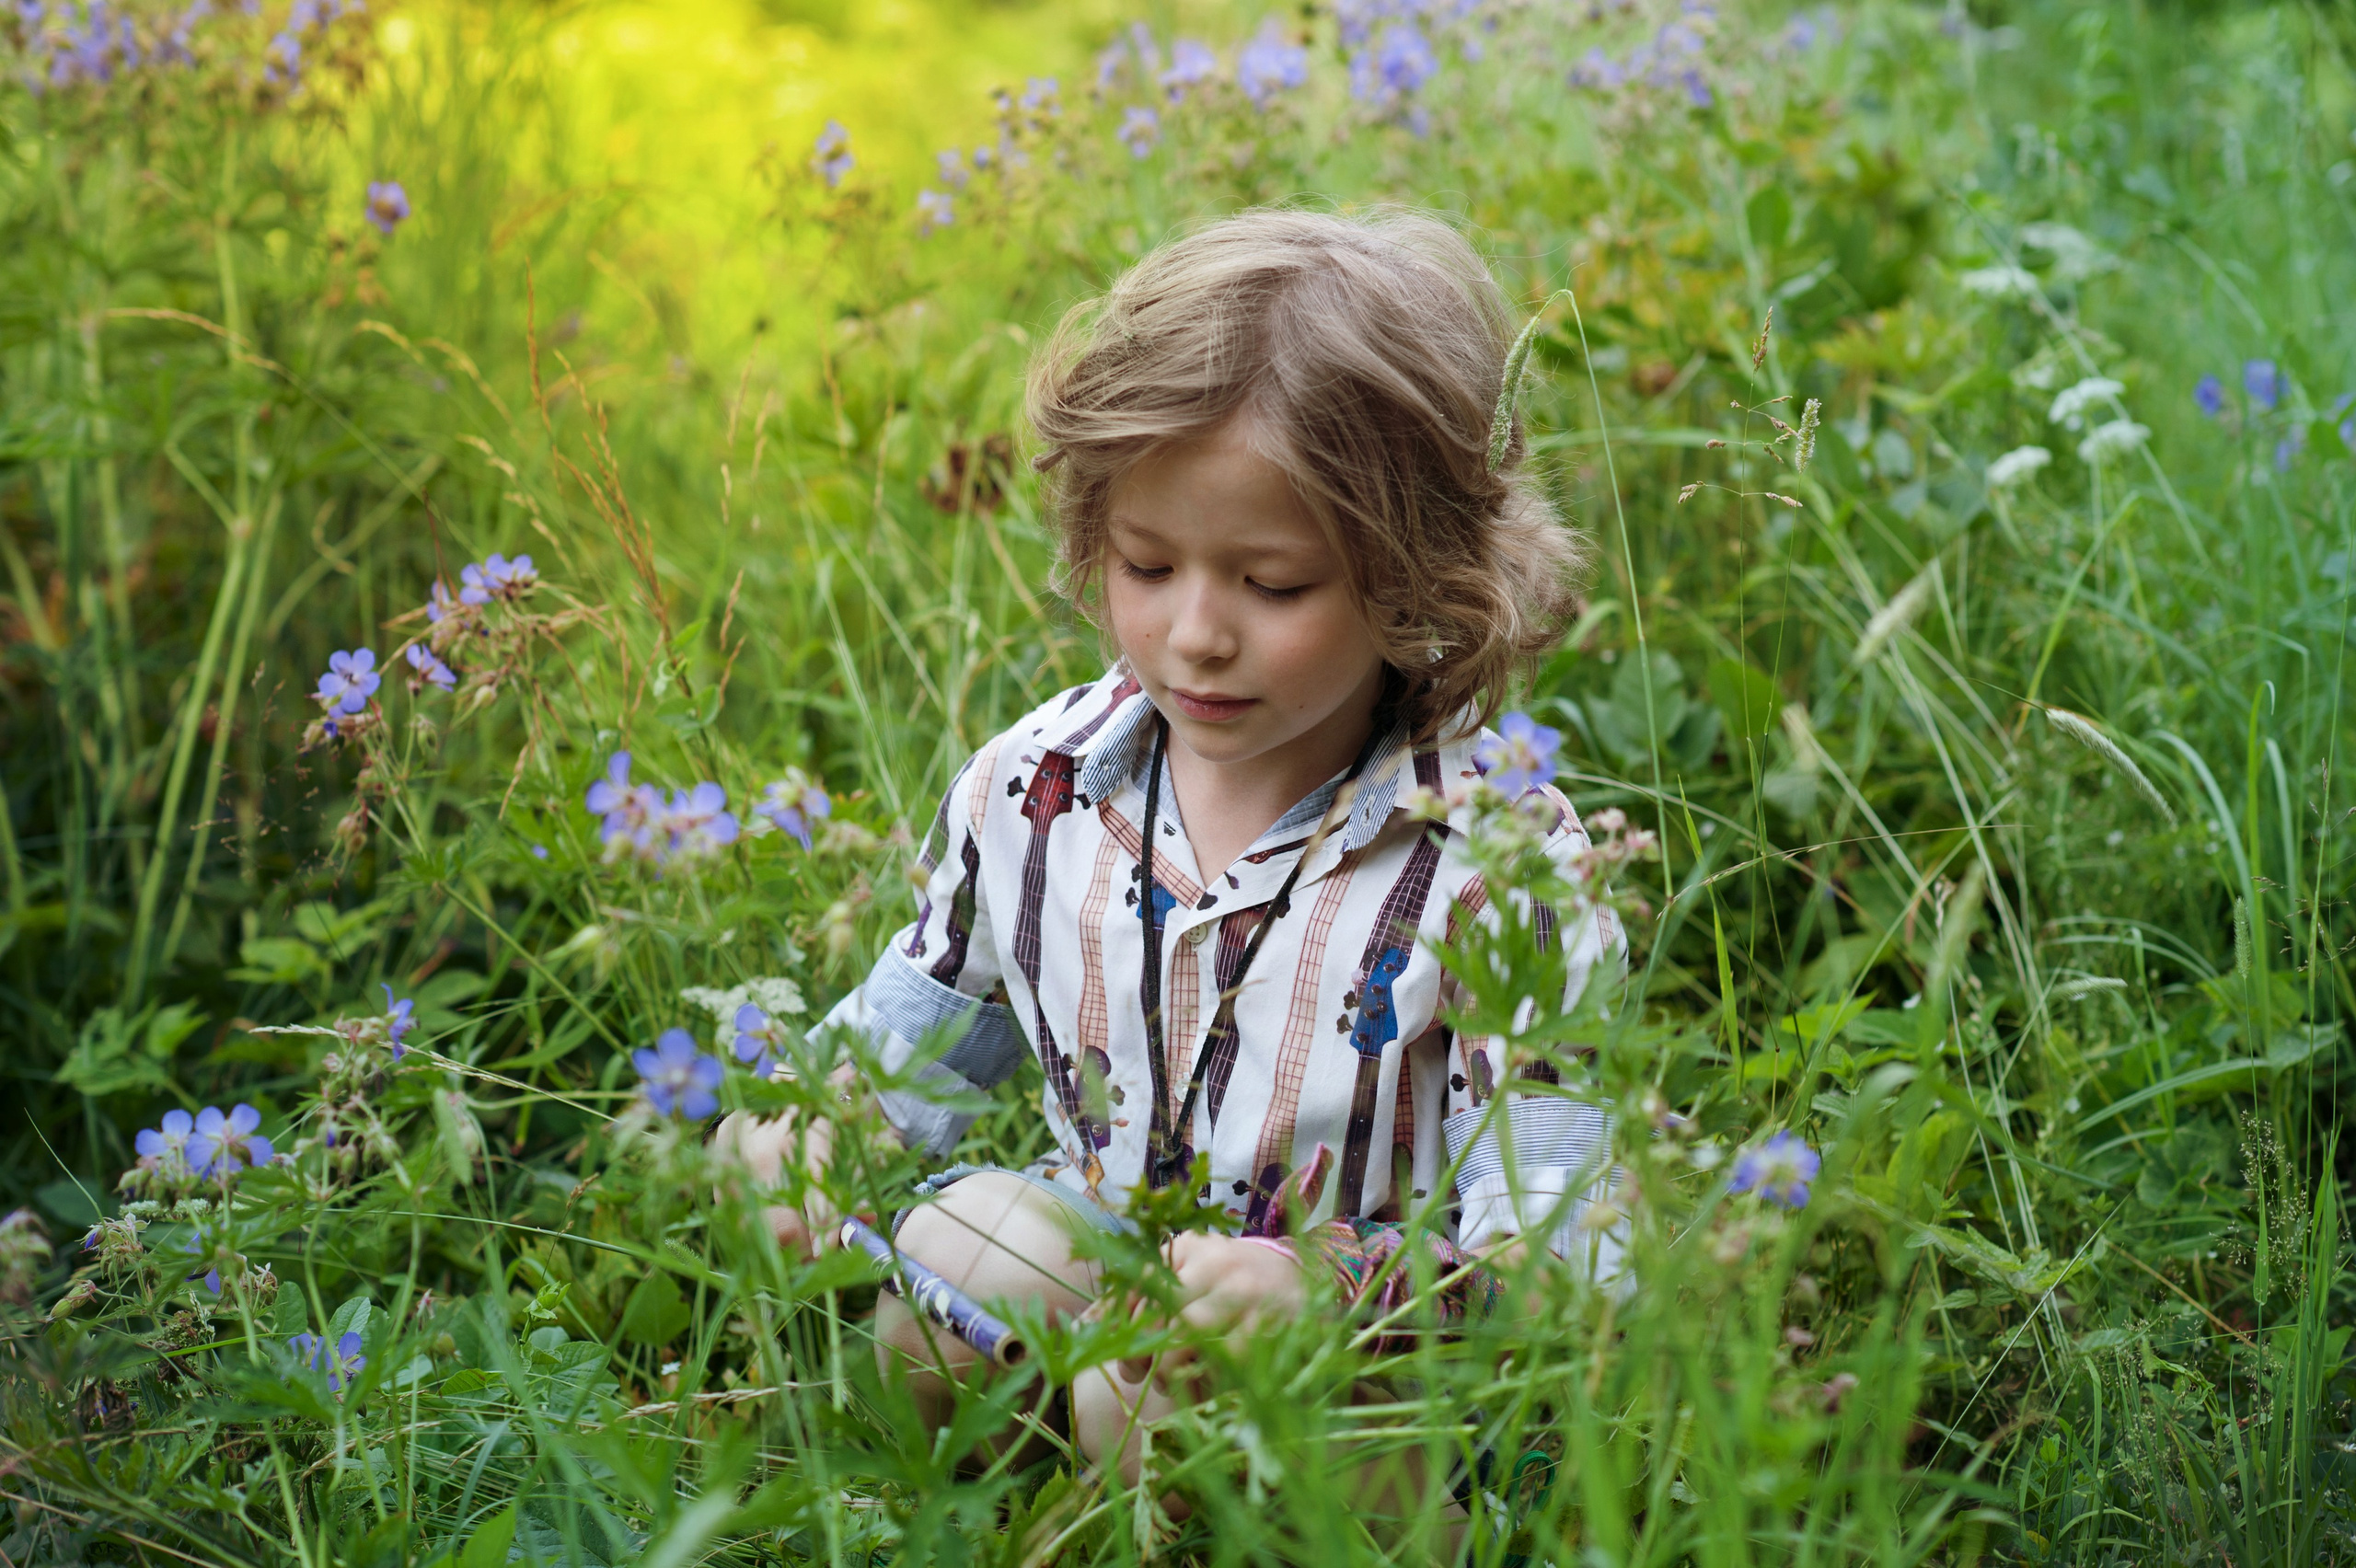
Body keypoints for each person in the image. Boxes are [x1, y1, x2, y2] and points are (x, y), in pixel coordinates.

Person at [716, 206, 1623, 1490]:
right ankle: (1007, 1510)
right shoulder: (1037, 787)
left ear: (1418, 573)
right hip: (1118, 1264)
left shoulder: (1499, 863)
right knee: (960, 1253)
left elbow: (1561, 1258)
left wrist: (1322, 1289)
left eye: (1273, 586)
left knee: (1152, 1404)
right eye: (1148, 564)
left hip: (1366, 1373)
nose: (1196, 634)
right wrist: (805, 1131)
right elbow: (920, 1031)